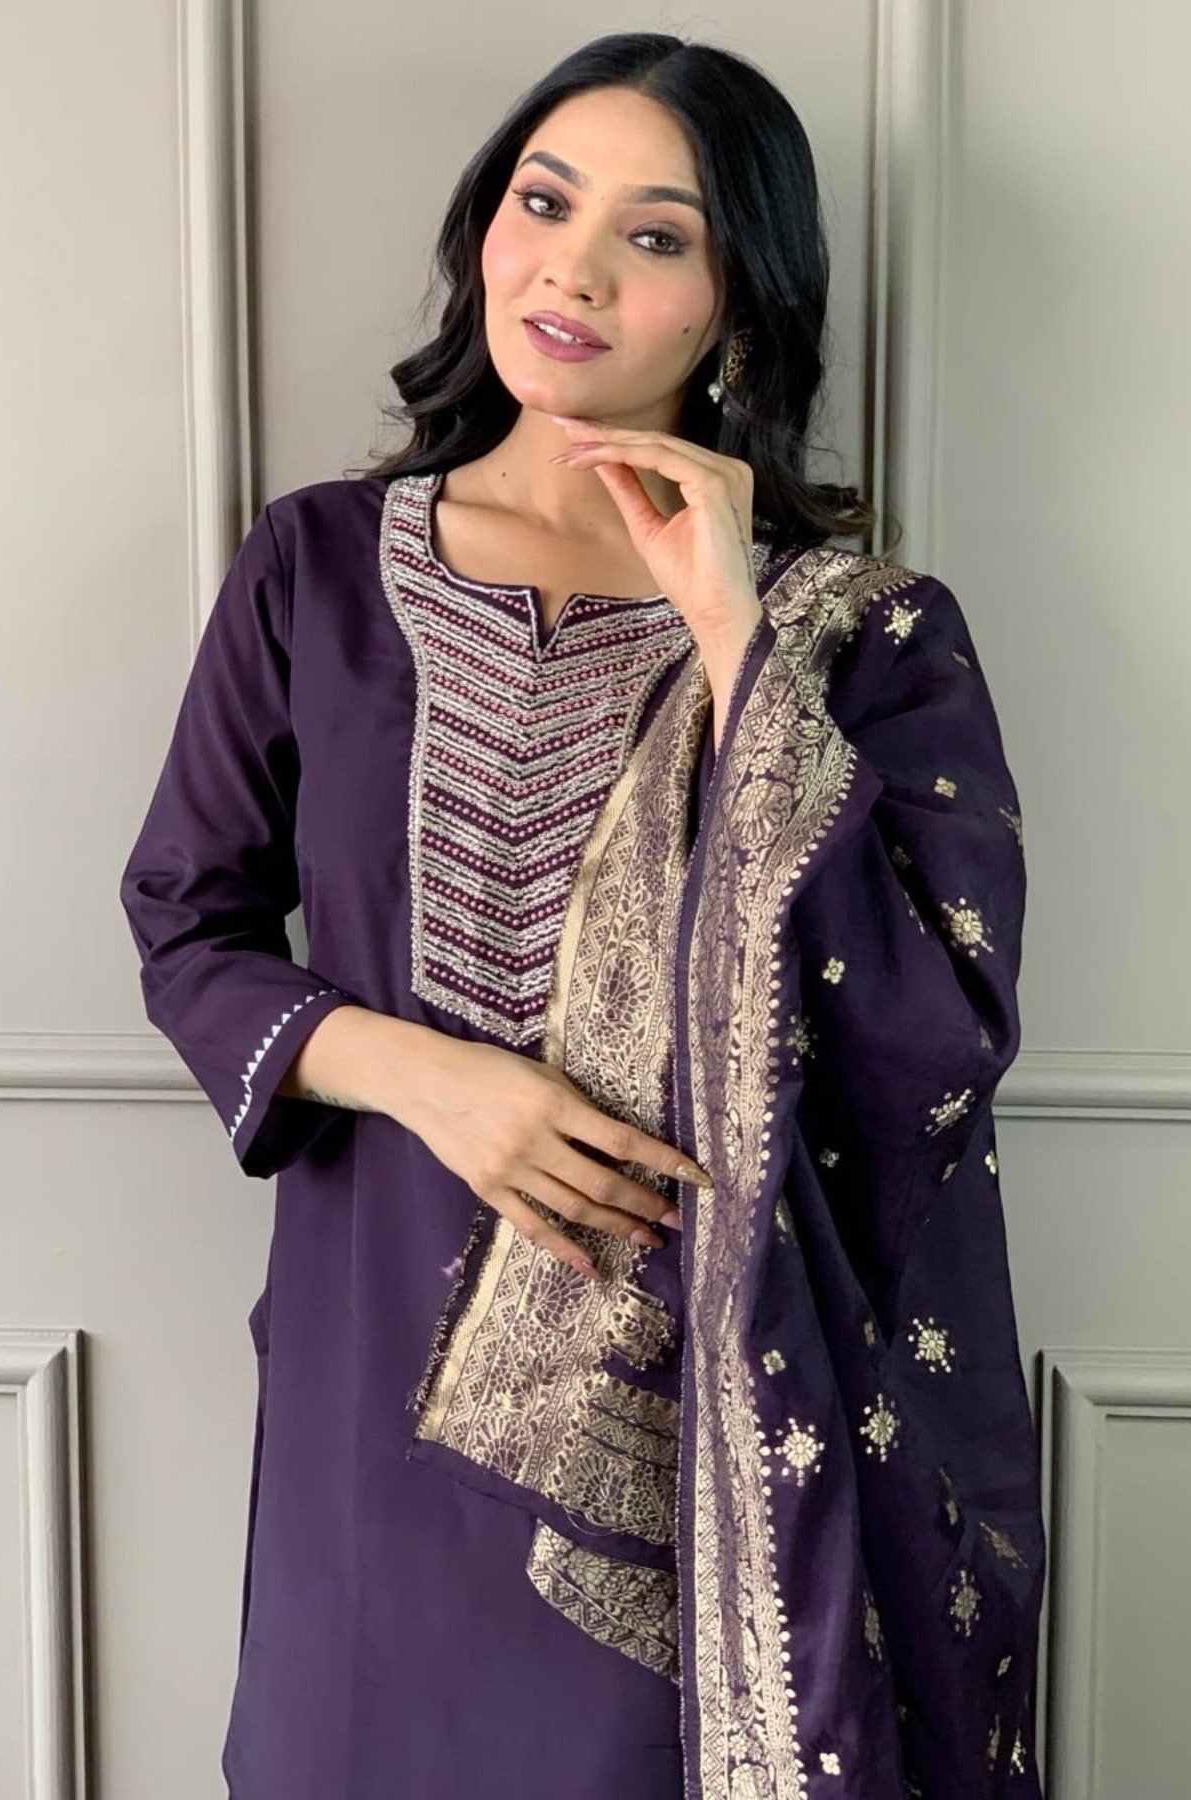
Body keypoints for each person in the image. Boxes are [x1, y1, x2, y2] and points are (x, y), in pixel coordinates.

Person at [119, 30, 1046, 1800]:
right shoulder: (318, 568)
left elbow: (938, 1017)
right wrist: (428, 1077)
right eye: (545, 204)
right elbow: (186, 921)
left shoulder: (862, 631)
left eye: (656, 234)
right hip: (371, 1382)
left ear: (738, 308)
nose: (575, 270)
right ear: (486, 228)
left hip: (710, 1414)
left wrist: (730, 633)